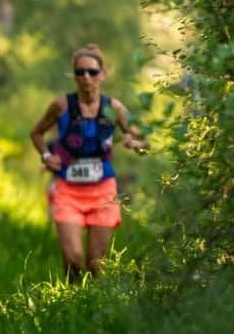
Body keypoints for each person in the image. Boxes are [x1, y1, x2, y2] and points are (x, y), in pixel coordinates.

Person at [29, 44, 149, 282]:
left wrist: (135, 143)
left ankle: (92, 308)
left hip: (103, 192)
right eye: (80, 71)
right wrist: (45, 156)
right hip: (68, 191)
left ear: (102, 75)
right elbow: (36, 133)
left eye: (92, 72)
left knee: (96, 264)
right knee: (73, 259)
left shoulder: (113, 108)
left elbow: (144, 138)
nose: (86, 77)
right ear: (74, 75)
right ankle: (68, 302)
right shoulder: (61, 105)